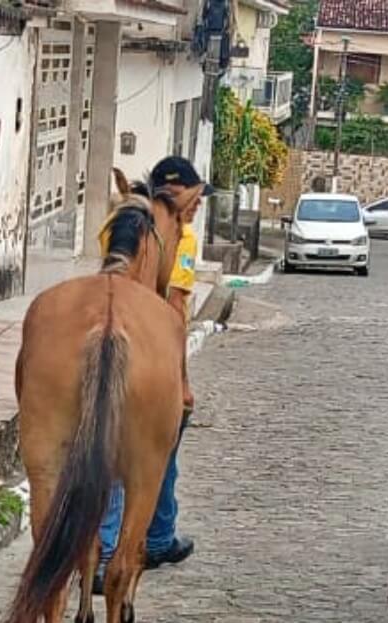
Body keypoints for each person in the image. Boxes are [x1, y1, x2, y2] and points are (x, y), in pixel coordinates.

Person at [94, 156, 212, 594]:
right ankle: (140, 542)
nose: (198, 207)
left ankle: (128, 542)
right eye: (196, 198)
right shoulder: (180, 238)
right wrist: (181, 379)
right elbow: (177, 305)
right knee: (152, 450)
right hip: (151, 346)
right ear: (177, 195)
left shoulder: (116, 222)